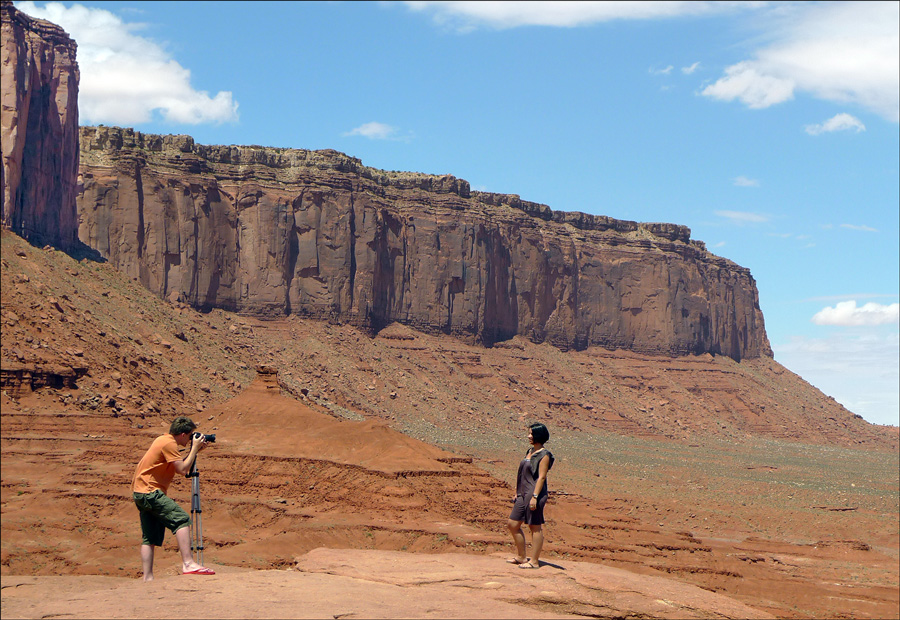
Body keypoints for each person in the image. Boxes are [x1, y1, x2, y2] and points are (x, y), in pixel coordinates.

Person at [132, 416, 214, 580]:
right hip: (150, 491)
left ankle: (147, 578)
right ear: (183, 434)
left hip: (140, 492)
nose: (191, 438)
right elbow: (183, 470)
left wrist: (196, 450)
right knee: (181, 519)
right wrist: (195, 448)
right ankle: (188, 563)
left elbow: (181, 465)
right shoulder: (169, 443)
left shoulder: (163, 440)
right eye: (191, 435)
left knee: (149, 538)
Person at [507, 422, 554, 569]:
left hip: (535, 494)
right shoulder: (529, 451)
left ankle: (534, 561)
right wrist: (517, 492)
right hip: (523, 493)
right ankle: (521, 557)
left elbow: (541, 477)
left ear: (539, 436)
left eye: (531, 434)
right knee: (513, 524)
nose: (529, 436)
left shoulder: (544, 455)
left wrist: (535, 496)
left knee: (535, 527)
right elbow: (523, 474)